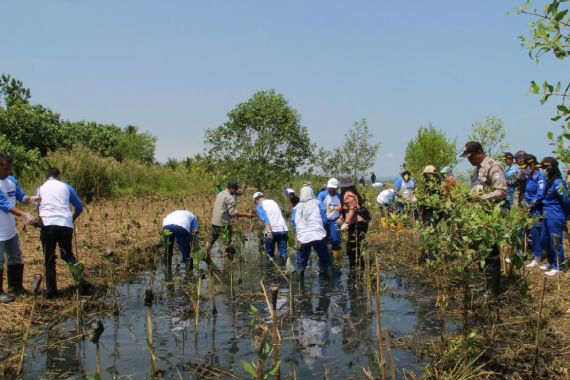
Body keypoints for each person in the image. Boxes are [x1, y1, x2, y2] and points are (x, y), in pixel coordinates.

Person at [460, 141, 507, 296]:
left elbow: (501, 191)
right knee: (480, 252)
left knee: (491, 254)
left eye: (470, 156)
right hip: (478, 217)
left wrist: (481, 199)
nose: (469, 159)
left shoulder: (493, 166)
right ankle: (486, 284)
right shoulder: (476, 170)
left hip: (489, 217)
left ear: (479, 152)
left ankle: (493, 291)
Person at [37, 167, 91, 298]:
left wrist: (40, 223)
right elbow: (79, 207)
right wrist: (71, 219)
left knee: (49, 258)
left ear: (47, 177)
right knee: (67, 255)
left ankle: (51, 291)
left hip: (48, 225)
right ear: (58, 176)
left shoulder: (40, 189)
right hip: (65, 225)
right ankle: (81, 282)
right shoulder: (66, 187)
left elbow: (38, 210)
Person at [0, 153, 37, 302]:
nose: (8, 172)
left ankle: (16, 287)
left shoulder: (11, 181)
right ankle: (0, 292)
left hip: (10, 230)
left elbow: (21, 196)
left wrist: (31, 199)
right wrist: (23, 215)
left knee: (16, 257)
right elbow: (5, 205)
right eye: (5, 169)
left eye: (10, 169)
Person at [204, 181, 254, 259]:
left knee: (212, 238)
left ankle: (206, 254)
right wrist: (247, 215)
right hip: (223, 223)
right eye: (235, 189)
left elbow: (218, 190)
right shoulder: (230, 198)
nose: (236, 190)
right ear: (231, 188)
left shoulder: (220, 193)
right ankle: (227, 258)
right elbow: (232, 212)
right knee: (227, 240)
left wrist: (218, 186)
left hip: (214, 221)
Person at [291, 186, 332, 279]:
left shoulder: (296, 208)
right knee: (325, 258)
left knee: (301, 261)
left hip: (303, 237)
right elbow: (324, 220)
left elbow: (293, 223)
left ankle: (300, 285)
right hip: (318, 235)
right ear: (311, 193)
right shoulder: (318, 204)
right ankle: (331, 283)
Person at [537, 157, 567, 276]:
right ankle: (551, 261)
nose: (542, 170)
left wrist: (566, 215)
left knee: (555, 241)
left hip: (555, 213)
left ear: (549, 168)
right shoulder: (548, 181)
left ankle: (559, 266)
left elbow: (566, 200)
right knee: (544, 238)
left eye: (544, 168)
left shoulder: (558, 182)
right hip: (545, 213)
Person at [518, 155, 547, 269]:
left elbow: (540, 194)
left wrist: (530, 204)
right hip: (527, 207)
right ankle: (519, 253)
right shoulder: (530, 176)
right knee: (521, 229)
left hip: (536, 209)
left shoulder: (540, 177)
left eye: (527, 166)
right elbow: (527, 193)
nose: (526, 169)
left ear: (532, 165)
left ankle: (537, 257)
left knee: (536, 231)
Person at [338, 176, 370, 269]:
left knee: (352, 247)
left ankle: (356, 267)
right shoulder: (352, 191)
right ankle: (359, 266)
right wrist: (337, 211)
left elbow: (352, 208)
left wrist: (347, 222)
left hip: (357, 223)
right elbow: (347, 207)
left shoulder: (347, 194)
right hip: (360, 222)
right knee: (356, 245)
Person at [253, 192, 289, 264]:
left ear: (256, 200)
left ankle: (270, 272)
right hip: (283, 229)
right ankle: (285, 270)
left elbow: (266, 219)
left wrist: (269, 232)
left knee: (269, 255)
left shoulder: (260, 206)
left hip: (271, 231)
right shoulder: (273, 202)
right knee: (283, 252)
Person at [317, 178, 342, 265]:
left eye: (334, 188)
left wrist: (341, 217)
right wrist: (332, 208)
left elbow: (343, 209)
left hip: (335, 220)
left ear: (336, 188)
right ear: (328, 187)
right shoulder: (322, 195)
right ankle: (321, 260)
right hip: (323, 221)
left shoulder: (339, 195)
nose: (332, 190)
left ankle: (337, 262)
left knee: (335, 240)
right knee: (322, 240)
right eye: (330, 188)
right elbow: (319, 206)